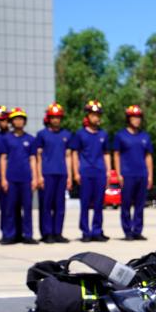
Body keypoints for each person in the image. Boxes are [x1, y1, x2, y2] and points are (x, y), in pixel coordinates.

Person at [0, 107, 39, 245]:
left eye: (21, 119)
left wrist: (35, 178)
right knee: (10, 208)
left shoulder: (30, 139)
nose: (19, 121)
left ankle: (27, 235)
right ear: (11, 121)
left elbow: (33, 159)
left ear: (24, 121)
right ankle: (10, 235)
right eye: (16, 119)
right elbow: (3, 159)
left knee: (27, 208)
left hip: (26, 178)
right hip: (11, 178)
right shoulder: (6, 139)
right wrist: (3, 178)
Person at [70, 100, 110, 242]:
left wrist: (108, 171)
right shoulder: (80, 134)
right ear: (88, 116)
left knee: (99, 204)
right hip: (85, 172)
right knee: (85, 204)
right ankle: (86, 232)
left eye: (98, 114)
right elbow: (74, 154)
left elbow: (106, 153)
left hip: (100, 172)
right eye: (93, 114)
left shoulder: (103, 134)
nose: (96, 117)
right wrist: (75, 172)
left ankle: (97, 231)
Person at [111, 104, 153, 241]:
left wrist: (150, 175)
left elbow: (148, 156)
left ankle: (137, 231)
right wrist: (118, 174)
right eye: (134, 117)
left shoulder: (145, 136)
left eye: (139, 117)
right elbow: (116, 155)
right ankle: (127, 231)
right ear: (128, 118)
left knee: (140, 205)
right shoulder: (120, 135)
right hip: (127, 174)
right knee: (126, 204)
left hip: (142, 174)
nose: (137, 120)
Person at [36, 102, 72, 243]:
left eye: (58, 117)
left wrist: (69, 176)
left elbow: (68, 156)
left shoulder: (66, 135)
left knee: (59, 205)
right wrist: (39, 176)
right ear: (48, 118)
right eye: (53, 117)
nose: (56, 120)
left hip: (61, 173)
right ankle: (47, 233)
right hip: (46, 174)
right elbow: (38, 157)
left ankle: (58, 233)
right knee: (46, 205)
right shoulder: (42, 135)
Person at [0, 105, 13, 244]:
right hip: (2, 177)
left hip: (17, 176)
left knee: (16, 207)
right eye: (0, 120)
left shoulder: (14, 135)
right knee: (5, 207)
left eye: (5, 120)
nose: (3, 123)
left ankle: (18, 232)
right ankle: (6, 233)